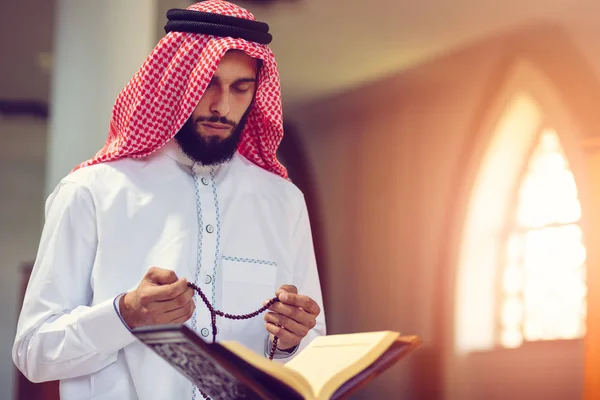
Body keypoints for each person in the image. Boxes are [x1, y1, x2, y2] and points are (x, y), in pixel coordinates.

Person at [12, 1, 326, 399]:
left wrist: (292, 343)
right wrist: (124, 314)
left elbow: (310, 353)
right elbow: (33, 353)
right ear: (178, 82)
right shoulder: (93, 191)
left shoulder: (283, 202)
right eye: (208, 83)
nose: (221, 106)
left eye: (240, 88)